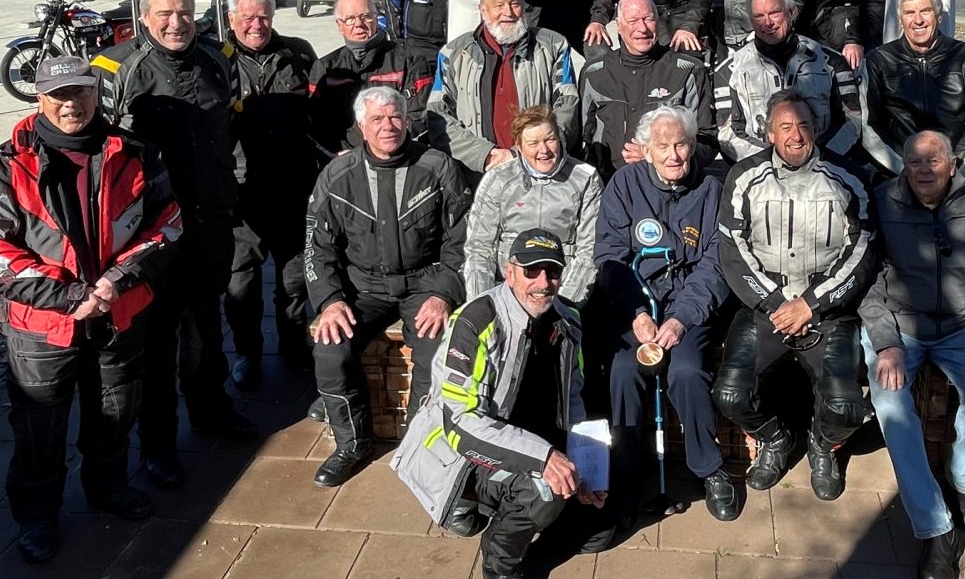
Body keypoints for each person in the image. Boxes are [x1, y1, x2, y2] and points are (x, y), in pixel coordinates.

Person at [0, 57, 182, 564]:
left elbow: (167, 225)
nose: (71, 104)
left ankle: (107, 487)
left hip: (119, 309)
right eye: (59, 94)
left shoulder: (136, 152)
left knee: (115, 411)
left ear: (96, 94)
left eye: (81, 92)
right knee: (39, 427)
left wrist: (114, 282)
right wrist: (71, 298)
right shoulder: (1, 164)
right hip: (43, 324)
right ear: (39, 98)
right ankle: (36, 516)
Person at [91, 0, 257, 492]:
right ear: (145, 18)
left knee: (207, 326)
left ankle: (211, 410)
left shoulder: (219, 56)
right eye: (164, 14)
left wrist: (235, 189)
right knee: (157, 343)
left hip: (210, 222)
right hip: (152, 233)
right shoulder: (115, 68)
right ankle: (158, 445)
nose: (176, 22)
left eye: (184, 12)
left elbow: (233, 128)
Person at [391, 229, 605, 579]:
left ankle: (514, 514)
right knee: (546, 492)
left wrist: (587, 466)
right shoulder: (475, 321)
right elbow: (460, 423)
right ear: (510, 272)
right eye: (531, 271)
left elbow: (573, 398)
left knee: (599, 524)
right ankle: (498, 561)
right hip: (460, 452)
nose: (543, 282)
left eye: (552, 272)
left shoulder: (569, 321)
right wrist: (546, 459)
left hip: (528, 433)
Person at [306, 86, 471, 487]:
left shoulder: (437, 167)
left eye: (395, 117)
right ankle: (352, 443)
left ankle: (419, 445)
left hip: (425, 282)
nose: (388, 126)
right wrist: (329, 300)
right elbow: (316, 245)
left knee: (439, 355)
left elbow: (465, 238)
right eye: (377, 119)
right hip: (363, 287)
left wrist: (444, 292)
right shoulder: (338, 176)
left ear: (408, 120)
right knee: (330, 351)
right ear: (361, 126)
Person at [859, 130, 965, 579]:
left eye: (934, 160)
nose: (925, 170)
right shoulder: (883, 201)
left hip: (961, 327)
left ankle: (962, 479)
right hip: (901, 327)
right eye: (915, 162)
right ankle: (935, 528)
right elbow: (867, 277)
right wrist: (885, 343)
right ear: (904, 165)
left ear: (954, 163)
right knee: (890, 403)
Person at [714, 90, 875, 502]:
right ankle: (776, 440)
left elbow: (863, 250)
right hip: (765, 307)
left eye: (804, 125)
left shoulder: (849, 178)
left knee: (846, 407)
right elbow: (732, 249)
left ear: (817, 128)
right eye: (785, 127)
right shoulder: (743, 178)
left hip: (828, 311)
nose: (796, 135)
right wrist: (774, 304)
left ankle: (823, 446)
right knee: (730, 394)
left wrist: (812, 303)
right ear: (769, 133)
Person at [594, 105, 740, 524]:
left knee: (687, 371)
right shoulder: (624, 184)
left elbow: (716, 263)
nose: (674, 155)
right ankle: (626, 471)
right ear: (645, 149)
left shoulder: (712, 190)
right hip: (636, 304)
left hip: (688, 308)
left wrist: (680, 319)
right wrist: (638, 314)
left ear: (693, 146)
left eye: (681, 145)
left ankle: (707, 467)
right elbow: (610, 257)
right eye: (663, 147)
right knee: (624, 370)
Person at [222, 0, 318, 388]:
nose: (256, 25)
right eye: (247, 17)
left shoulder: (298, 53)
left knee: (294, 279)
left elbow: (319, 112)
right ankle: (247, 353)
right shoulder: (214, 60)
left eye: (263, 16)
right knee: (241, 281)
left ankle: (295, 346)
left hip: (292, 184)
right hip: (240, 190)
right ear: (231, 20)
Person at [427, 0, 579, 175]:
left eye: (515, 4)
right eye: (498, 5)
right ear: (482, 10)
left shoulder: (553, 45)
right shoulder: (452, 53)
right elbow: (439, 116)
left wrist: (524, 153)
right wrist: (484, 155)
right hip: (476, 173)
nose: (508, 12)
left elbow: (567, 106)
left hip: (536, 169)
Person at [464, 105, 602, 308]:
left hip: (561, 289)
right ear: (519, 147)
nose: (544, 150)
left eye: (550, 139)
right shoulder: (499, 179)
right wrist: (482, 306)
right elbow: (479, 248)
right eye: (533, 143)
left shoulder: (585, 178)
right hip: (508, 290)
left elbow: (589, 251)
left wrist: (564, 307)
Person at [860, 0, 965, 178]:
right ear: (900, 19)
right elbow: (869, 125)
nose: (918, 20)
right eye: (909, 13)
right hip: (898, 174)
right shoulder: (877, 61)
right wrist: (908, 171)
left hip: (956, 174)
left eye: (925, 11)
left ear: (939, 16)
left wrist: (953, 170)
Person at [714, 0, 860, 163]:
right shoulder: (729, 70)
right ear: (751, 20)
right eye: (759, 16)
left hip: (824, 165)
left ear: (792, 12)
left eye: (774, 13)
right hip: (759, 171)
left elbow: (852, 121)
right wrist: (768, 163)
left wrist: (818, 157)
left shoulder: (831, 62)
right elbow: (728, 133)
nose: (767, 23)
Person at [579, 0, 717, 182]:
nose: (642, 28)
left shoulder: (687, 71)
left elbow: (707, 140)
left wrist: (658, 158)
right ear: (618, 26)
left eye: (648, 19)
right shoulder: (594, 74)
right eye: (633, 20)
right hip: (609, 186)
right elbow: (581, 141)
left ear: (658, 22)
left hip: (671, 187)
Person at [308, 0, 434, 156]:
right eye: (350, 19)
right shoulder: (326, 67)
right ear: (339, 25)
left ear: (376, 18)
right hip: (343, 160)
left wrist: (384, 151)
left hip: (398, 155)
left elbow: (420, 115)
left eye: (365, 16)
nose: (359, 24)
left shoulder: (409, 60)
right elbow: (316, 122)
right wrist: (341, 154)